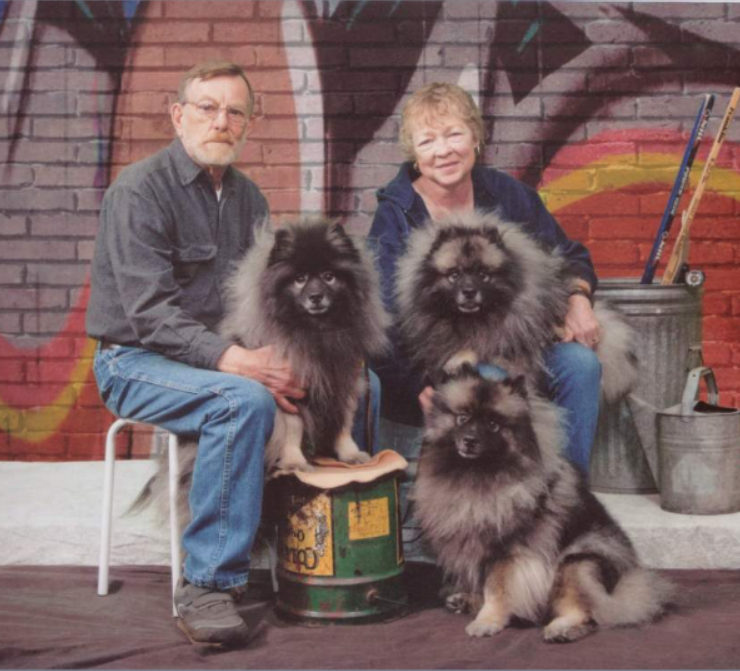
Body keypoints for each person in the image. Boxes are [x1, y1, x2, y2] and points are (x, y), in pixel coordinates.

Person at [86, 61, 379, 648]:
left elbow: (261, 304)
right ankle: (207, 586)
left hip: (213, 359)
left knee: (354, 380)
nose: (222, 121)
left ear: (248, 122)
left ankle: (329, 553)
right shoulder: (139, 191)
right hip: (134, 362)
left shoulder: (247, 198)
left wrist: (288, 359)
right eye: (207, 107)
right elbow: (148, 314)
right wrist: (242, 363)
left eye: (234, 111)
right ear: (178, 115)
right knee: (242, 400)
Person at [369, 82, 601, 471]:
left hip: (523, 349)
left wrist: (578, 297)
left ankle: (568, 495)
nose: (443, 151)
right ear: (414, 152)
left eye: (454, 134)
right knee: (487, 379)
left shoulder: (508, 195)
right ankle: (501, 503)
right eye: (427, 141)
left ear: (475, 137)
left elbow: (569, 254)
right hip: (439, 366)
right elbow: (384, 320)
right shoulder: (396, 215)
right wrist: (416, 387)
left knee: (581, 365)